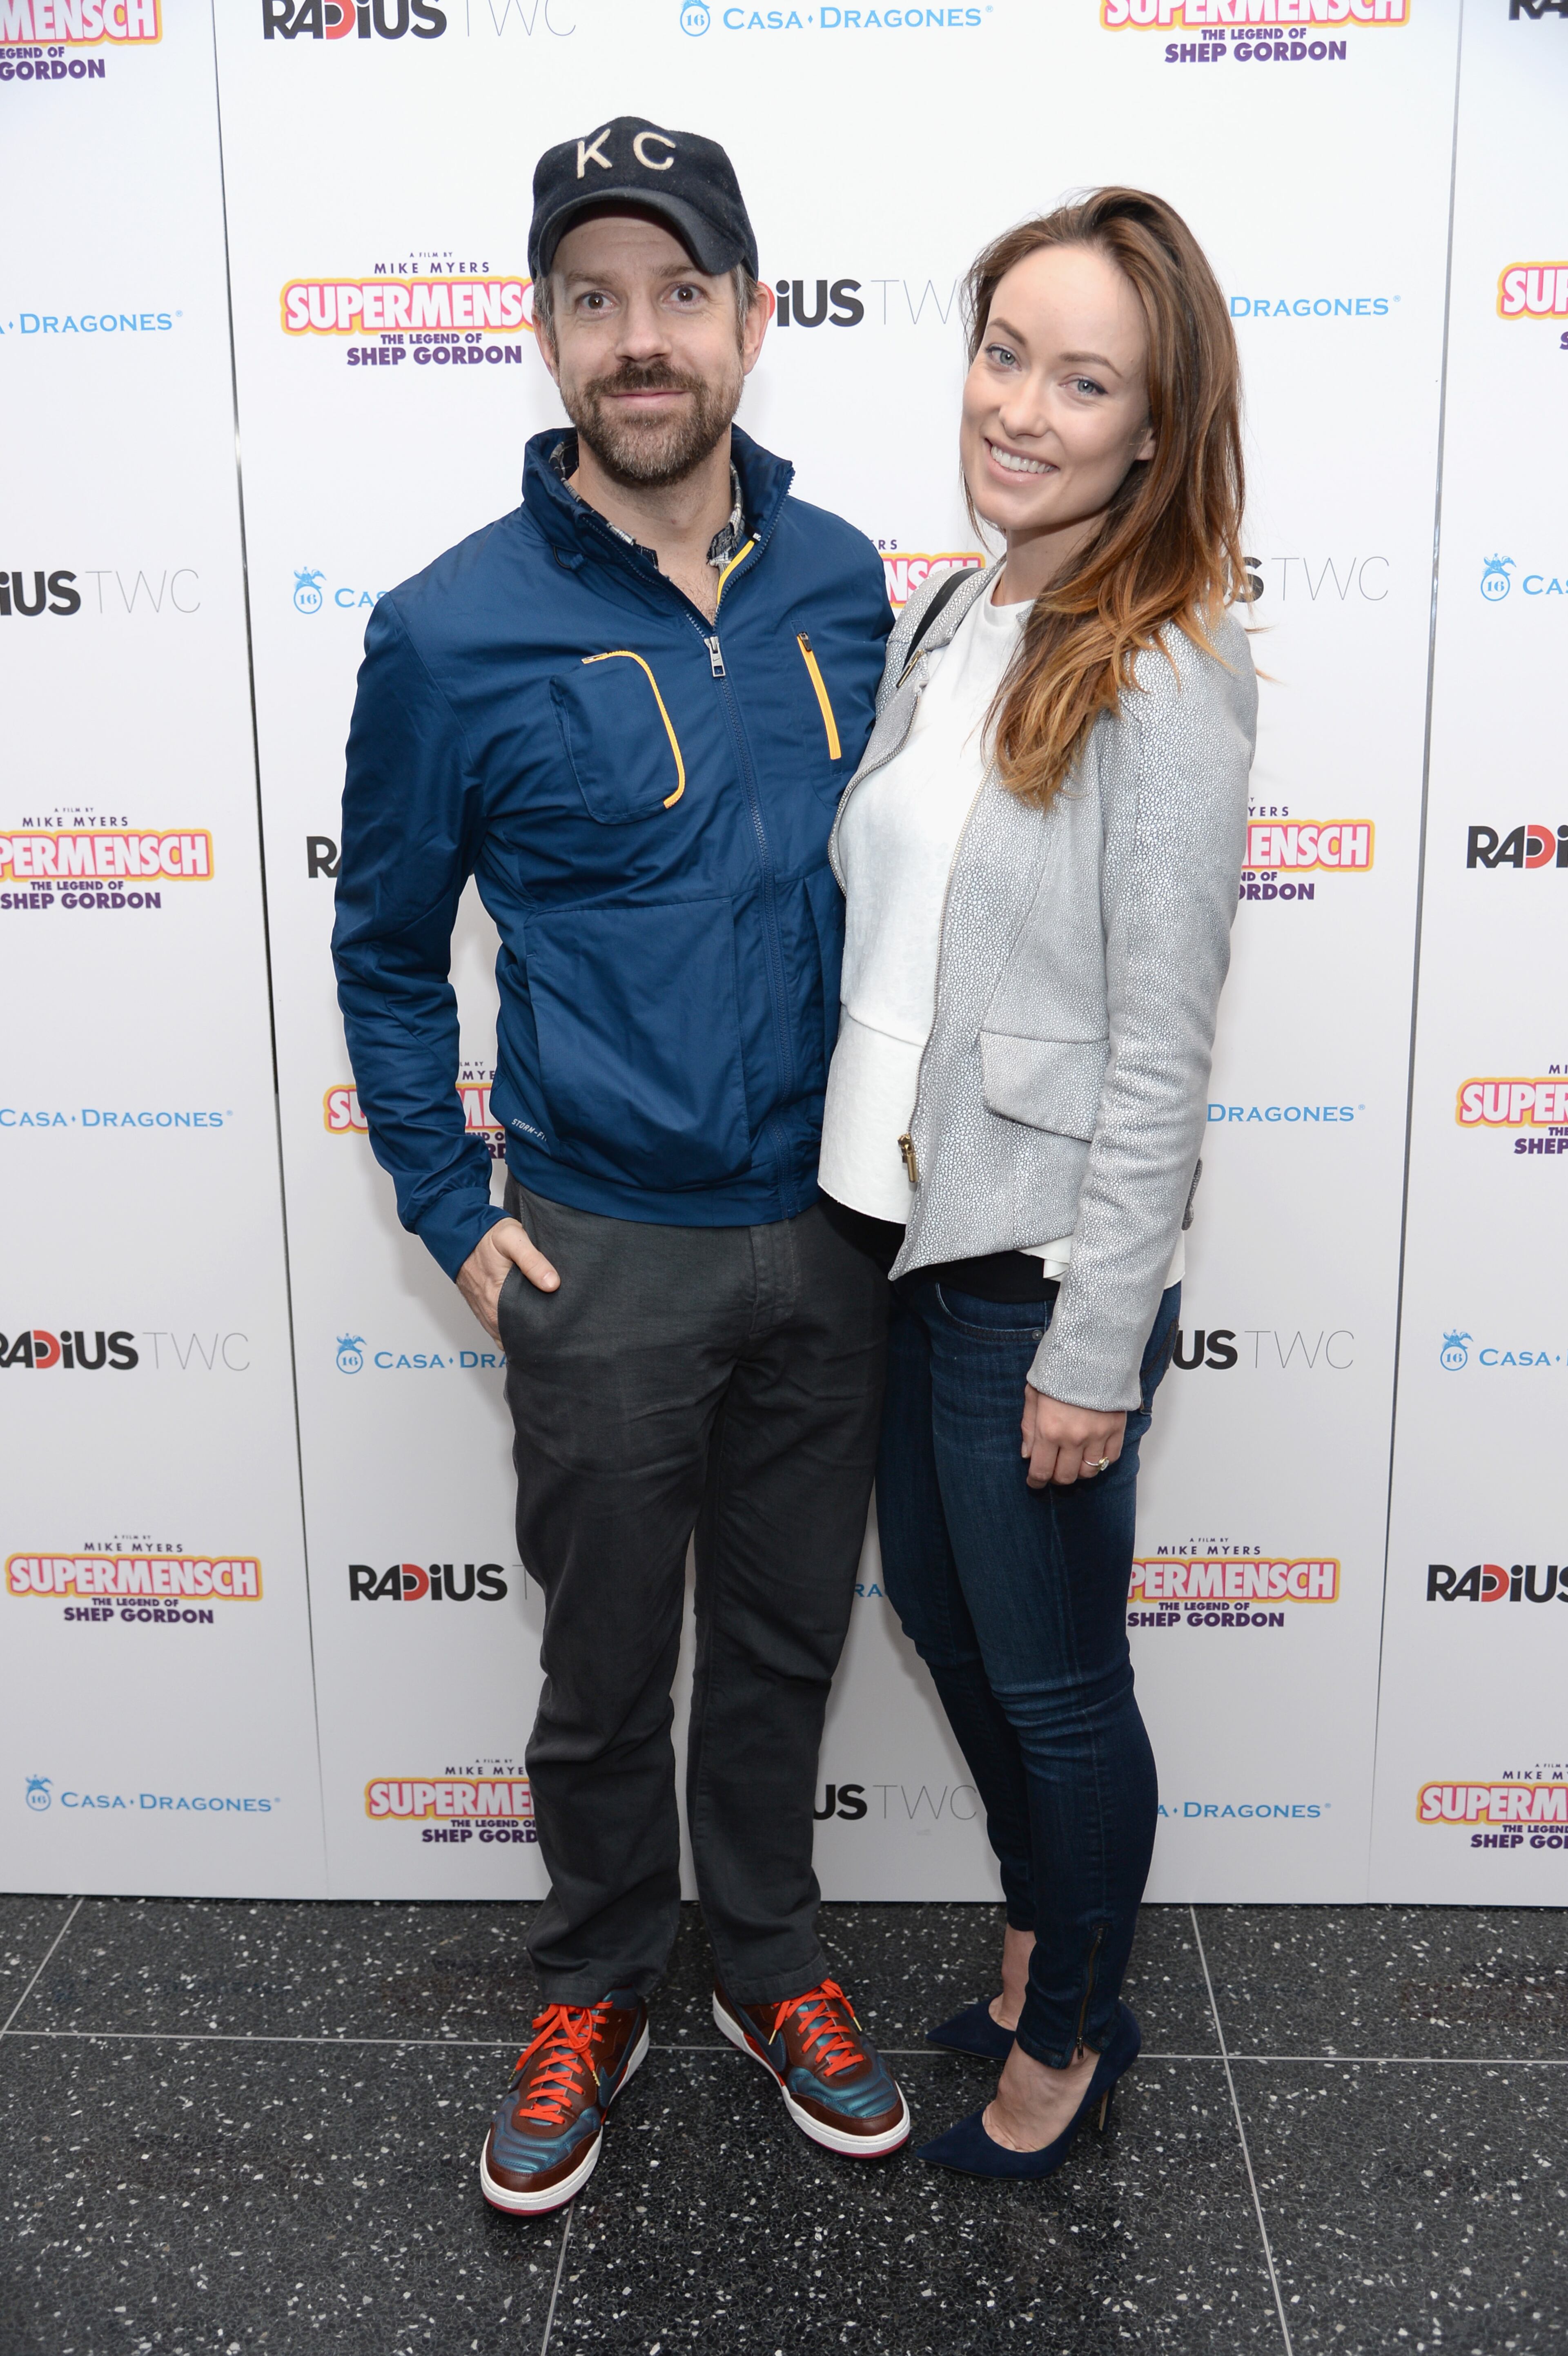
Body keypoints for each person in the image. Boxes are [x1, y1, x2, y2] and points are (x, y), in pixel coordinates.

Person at [332, 116, 910, 2217]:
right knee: (600, 1671)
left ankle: (766, 1957)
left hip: (835, 1237)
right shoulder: (446, 630)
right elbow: (387, 949)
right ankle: (596, 1979)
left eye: (678, 294)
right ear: (548, 329)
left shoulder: (848, 583)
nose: (639, 339)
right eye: (595, 299)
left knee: (781, 1642)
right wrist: (451, 1209)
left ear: (751, 318)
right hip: (599, 1254)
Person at [817, 188, 1256, 2180]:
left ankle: (1070, 2035)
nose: (1021, 408)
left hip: (1040, 1272)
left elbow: (1166, 1045)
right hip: (908, 1236)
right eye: (1006, 355)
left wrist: (1097, 1341)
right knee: (956, 1632)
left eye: (1084, 383)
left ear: (1155, 429)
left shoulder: (1163, 667)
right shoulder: (958, 607)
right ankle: (1033, 1950)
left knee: (1062, 1689)